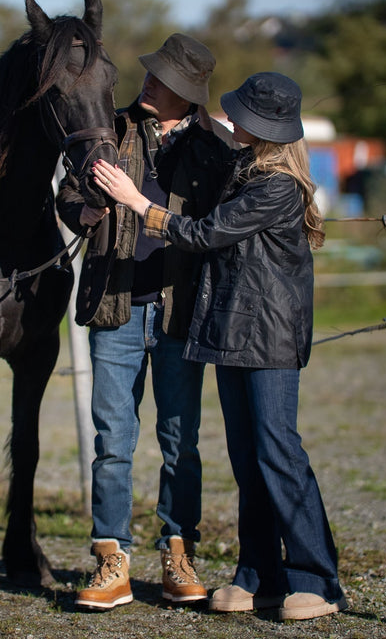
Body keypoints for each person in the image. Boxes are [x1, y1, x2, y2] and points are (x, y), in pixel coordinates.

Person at [91, 72, 347, 622]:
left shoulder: (277, 187)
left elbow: (205, 233)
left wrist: (137, 202)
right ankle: (259, 577)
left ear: (265, 129)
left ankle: (316, 578)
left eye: (242, 117)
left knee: (280, 453)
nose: (230, 121)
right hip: (230, 333)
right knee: (247, 460)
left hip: (268, 338)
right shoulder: (242, 170)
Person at [56, 34, 236, 610]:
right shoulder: (109, 128)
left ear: (187, 93)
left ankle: (177, 552)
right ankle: (112, 559)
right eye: (151, 74)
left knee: (181, 442)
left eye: (162, 80)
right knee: (114, 441)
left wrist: (138, 202)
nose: (148, 83)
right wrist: (84, 209)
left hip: (183, 311)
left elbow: (221, 231)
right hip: (116, 306)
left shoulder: (217, 148)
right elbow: (66, 195)